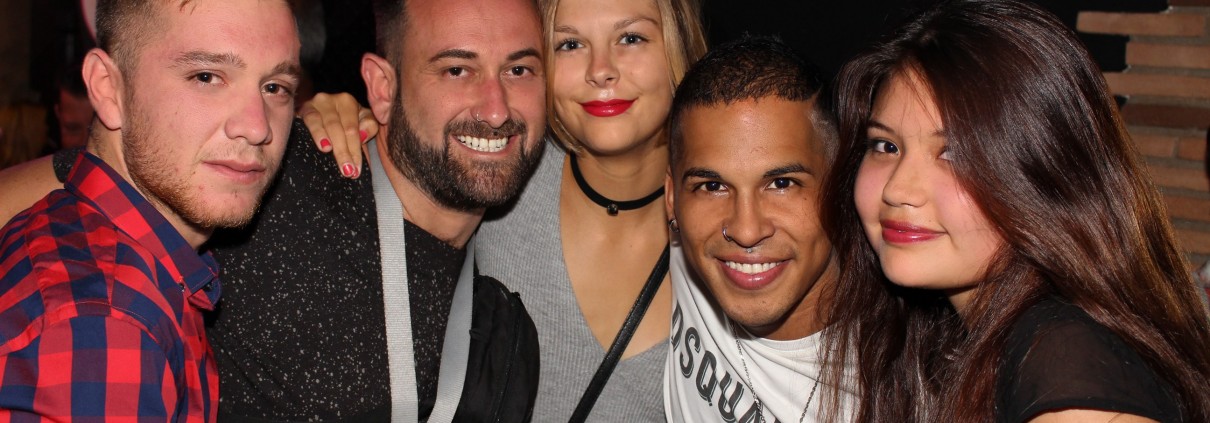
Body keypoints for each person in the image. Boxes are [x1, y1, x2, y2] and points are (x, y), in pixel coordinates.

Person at [302, 0, 707, 419]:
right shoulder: (498, 167)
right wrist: (323, 123)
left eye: (631, 38)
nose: (600, 70)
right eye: (570, 44)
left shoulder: (728, 226)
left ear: (677, 48)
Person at [823, 0, 1210, 422]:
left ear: (1047, 174)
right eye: (886, 146)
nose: (898, 189)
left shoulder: (1066, 364)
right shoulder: (964, 332)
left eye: (954, 153)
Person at [206, 0, 545, 420]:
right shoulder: (266, 191)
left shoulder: (504, 338)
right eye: (457, 70)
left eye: (519, 70)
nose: (496, 110)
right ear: (383, 88)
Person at [0, 0, 301, 419]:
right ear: (108, 88)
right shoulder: (104, 319)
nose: (257, 126)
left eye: (275, 88)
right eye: (206, 76)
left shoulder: (131, 263)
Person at [662, 35, 855, 422]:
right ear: (672, 199)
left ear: (839, 188)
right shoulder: (681, 253)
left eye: (781, 184)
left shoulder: (891, 393)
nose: (747, 231)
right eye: (712, 186)